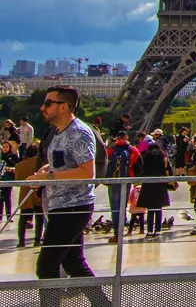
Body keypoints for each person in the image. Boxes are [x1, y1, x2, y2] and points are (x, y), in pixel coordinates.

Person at [28, 86, 112, 307]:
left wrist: (50, 177)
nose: (42, 107)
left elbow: (87, 173)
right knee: (74, 263)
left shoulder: (79, 133)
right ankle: (102, 304)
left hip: (73, 207)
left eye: (48, 103)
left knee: (46, 266)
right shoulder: (58, 132)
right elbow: (61, 162)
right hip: (62, 206)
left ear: (63, 106)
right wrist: (44, 172)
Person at [134, 135, 170, 239]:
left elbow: (142, 171)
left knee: (150, 209)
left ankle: (149, 230)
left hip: (148, 185)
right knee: (158, 208)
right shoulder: (163, 157)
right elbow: (169, 171)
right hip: (160, 185)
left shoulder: (147, 157)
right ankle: (158, 230)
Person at [104, 130, 137, 244]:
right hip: (126, 181)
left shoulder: (111, 149)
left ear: (117, 138)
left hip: (113, 182)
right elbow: (138, 163)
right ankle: (122, 231)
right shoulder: (132, 149)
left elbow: (103, 162)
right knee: (123, 207)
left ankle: (116, 234)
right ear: (126, 137)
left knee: (115, 208)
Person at [15, 143, 42, 247]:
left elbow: (17, 181)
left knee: (23, 219)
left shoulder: (19, 165)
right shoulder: (40, 164)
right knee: (39, 218)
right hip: (38, 193)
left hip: (25, 194)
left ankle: (21, 241)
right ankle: (37, 240)